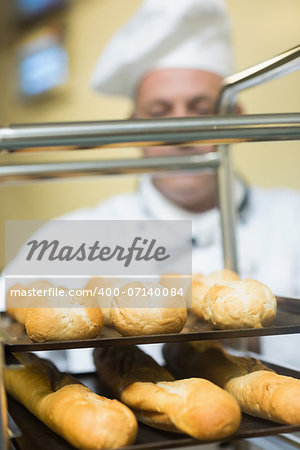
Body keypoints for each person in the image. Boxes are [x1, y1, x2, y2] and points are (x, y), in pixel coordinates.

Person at [1, 0, 300, 371]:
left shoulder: (293, 220)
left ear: (236, 119)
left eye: (200, 109)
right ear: (133, 128)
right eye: (159, 113)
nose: (180, 133)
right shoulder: (71, 237)